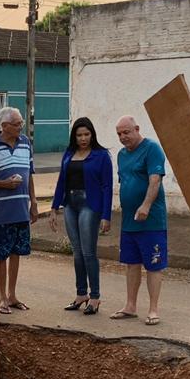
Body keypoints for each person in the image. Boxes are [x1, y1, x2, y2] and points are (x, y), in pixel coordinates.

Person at [49, 117, 112, 314]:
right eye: (79, 135)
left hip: (90, 205)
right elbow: (61, 182)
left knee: (88, 252)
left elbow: (107, 187)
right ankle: (81, 294)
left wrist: (106, 215)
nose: (83, 138)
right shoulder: (69, 153)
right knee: (76, 252)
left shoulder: (102, 155)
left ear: (92, 134)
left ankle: (95, 297)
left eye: (86, 134)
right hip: (70, 204)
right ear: (74, 137)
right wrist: (54, 208)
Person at [109, 116, 168, 325]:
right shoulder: (122, 155)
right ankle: (130, 306)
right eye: (119, 134)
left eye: (126, 132)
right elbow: (125, 182)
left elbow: (155, 179)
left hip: (151, 220)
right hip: (129, 220)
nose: (123, 137)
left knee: (153, 264)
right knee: (131, 263)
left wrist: (146, 205)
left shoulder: (152, 148)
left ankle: (153, 310)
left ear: (137, 129)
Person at [0, 106, 38, 314]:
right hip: (0, 210)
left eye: (21, 123)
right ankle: (2, 298)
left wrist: (34, 202)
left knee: (17, 252)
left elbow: (30, 175)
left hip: (21, 209)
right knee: (1, 254)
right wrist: (4, 184)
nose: (20, 127)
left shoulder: (26, 143)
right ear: (4, 126)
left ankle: (13, 294)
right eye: (16, 124)